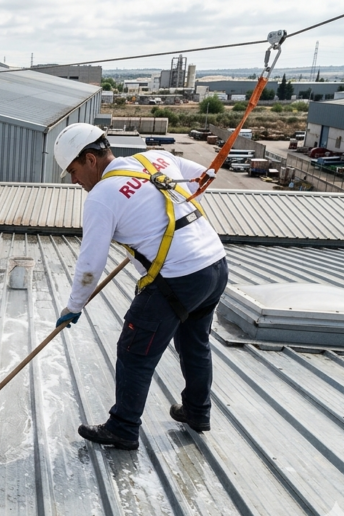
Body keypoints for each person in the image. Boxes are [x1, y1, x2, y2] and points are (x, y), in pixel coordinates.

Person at [53, 123, 228, 451]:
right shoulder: (157, 159)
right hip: (214, 265)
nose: (75, 181)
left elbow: (90, 266)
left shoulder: (102, 197)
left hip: (179, 276)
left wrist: (74, 307)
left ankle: (123, 426)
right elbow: (205, 176)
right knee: (194, 342)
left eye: (74, 171)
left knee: (134, 351)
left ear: (90, 159)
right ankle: (197, 411)